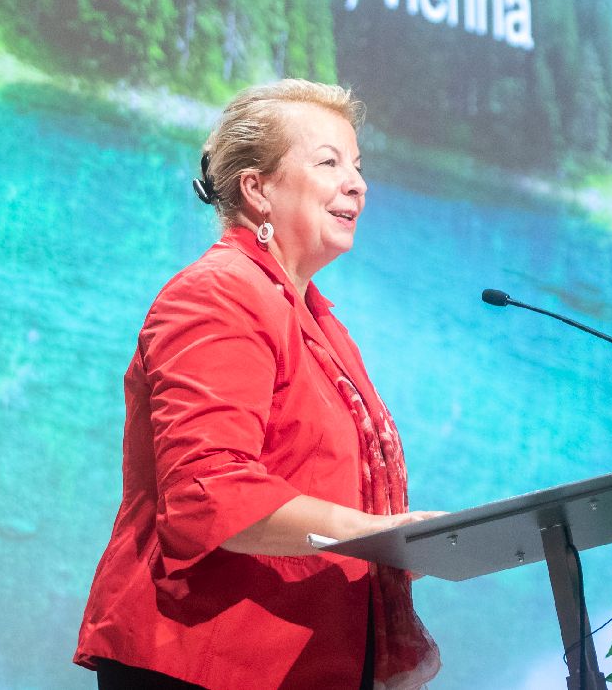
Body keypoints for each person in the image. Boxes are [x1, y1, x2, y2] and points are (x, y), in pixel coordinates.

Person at [75, 79, 441, 690]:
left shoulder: (318, 321)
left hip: (305, 663)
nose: (357, 183)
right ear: (257, 189)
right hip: (206, 658)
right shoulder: (218, 294)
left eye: (357, 165)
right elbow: (209, 493)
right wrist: (383, 535)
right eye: (329, 163)